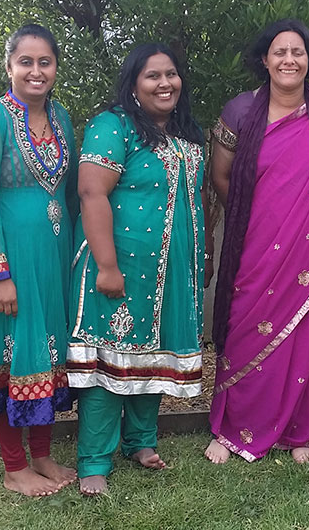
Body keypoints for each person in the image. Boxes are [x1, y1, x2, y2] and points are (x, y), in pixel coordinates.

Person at [205, 19, 309, 464]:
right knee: (244, 328)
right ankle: (230, 427)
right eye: (279, 52)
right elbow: (221, 175)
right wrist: (258, 216)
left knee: (304, 334)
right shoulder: (239, 111)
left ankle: (300, 431)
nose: (289, 60)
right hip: (252, 243)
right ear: (265, 60)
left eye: (298, 52)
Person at [66, 43, 211, 495]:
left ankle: (141, 442)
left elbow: (195, 203)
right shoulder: (114, 126)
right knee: (109, 363)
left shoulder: (186, 134)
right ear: (133, 84)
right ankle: (93, 461)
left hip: (171, 273)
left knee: (152, 356)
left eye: (171, 74)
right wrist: (107, 266)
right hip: (119, 268)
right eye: (152, 76)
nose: (164, 83)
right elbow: (92, 194)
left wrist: (199, 260)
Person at [0, 24, 78, 496]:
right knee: (10, 356)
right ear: (9, 67)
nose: (36, 71)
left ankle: (42, 455)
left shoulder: (62, 118)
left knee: (43, 353)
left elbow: (67, 192)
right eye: (26, 61)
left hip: (51, 260)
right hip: (9, 263)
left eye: (45, 62)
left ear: (56, 68)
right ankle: (13, 466)